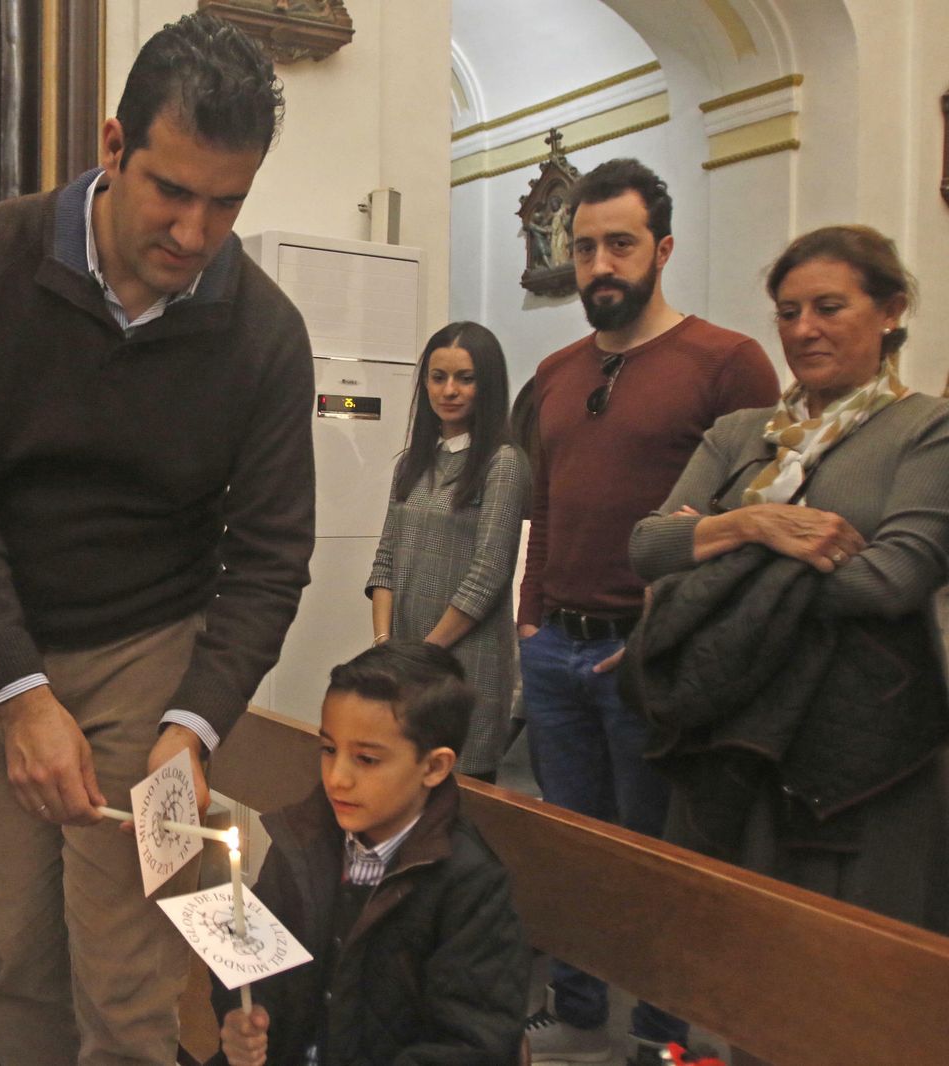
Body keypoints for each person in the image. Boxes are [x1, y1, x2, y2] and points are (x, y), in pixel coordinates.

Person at [0, 12, 314, 1064]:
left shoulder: (265, 334)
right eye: (170, 191)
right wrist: (19, 694)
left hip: (152, 662)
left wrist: (194, 725)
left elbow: (269, 554)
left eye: (225, 203)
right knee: (23, 970)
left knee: (129, 993)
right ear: (111, 147)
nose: (193, 232)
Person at [515, 158, 781, 1066]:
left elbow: (747, 526)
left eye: (619, 244)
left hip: (651, 659)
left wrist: (668, 642)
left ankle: (661, 1035)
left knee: (656, 858)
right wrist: (529, 620)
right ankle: (579, 999)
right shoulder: (554, 371)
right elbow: (543, 505)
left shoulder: (728, 362)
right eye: (584, 247)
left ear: (662, 249)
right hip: (556, 650)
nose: (600, 265)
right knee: (572, 848)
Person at [628, 224, 949, 934]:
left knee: (852, 976)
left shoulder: (927, 432)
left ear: (891, 309)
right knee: (741, 955)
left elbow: (891, 578)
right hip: (732, 732)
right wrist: (758, 526)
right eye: (788, 311)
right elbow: (649, 546)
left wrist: (709, 546)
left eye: (829, 307)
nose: (804, 330)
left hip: (865, 751)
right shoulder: (741, 434)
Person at [211, 641, 530, 1066]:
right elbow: (251, 954)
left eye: (366, 759)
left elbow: (474, 1042)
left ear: (434, 767)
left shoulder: (470, 884)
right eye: (328, 750)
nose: (337, 778)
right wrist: (241, 1014)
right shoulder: (304, 839)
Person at [367, 322, 529, 782]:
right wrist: (385, 648)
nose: (450, 390)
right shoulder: (412, 462)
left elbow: (488, 575)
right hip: (405, 664)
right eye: (438, 377)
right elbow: (386, 560)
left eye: (465, 378)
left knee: (461, 801)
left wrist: (422, 654)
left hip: (467, 665)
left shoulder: (503, 462)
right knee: (404, 791)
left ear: (488, 384)